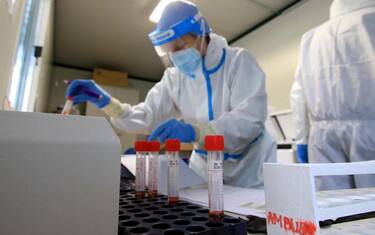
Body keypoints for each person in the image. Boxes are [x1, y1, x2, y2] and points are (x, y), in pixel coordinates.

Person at [66, 0, 276, 188]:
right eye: (170, 49)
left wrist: (196, 132)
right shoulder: (174, 78)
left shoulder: (238, 61)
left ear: (202, 33)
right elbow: (147, 115)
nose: (176, 55)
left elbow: (249, 120)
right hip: (204, 169)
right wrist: (105, 101)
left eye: (181, 46)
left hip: (248, 168)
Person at [290, 0, 375, 190]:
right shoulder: (369, 19)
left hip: (323, 138)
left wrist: (302, 140)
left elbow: (298, 94)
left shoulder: (312, 37)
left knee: (333, 209)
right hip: (370, 134)